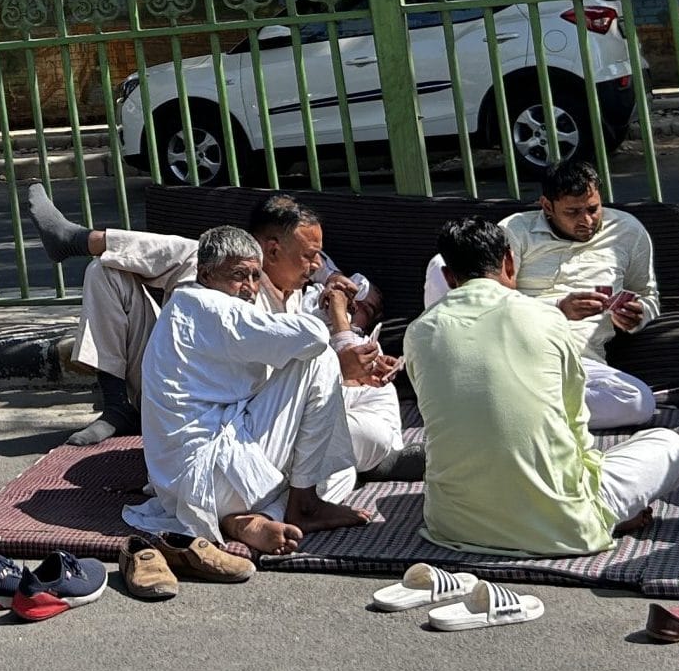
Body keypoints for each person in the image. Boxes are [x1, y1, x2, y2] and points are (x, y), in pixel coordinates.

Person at [25, 184, 417, 479]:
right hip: (206, 414)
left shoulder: (309, 296)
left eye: (319, 255)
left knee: (371, 402)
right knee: (108, 270)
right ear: (271, 250)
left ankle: (80, 240)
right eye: (309, 256)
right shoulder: (227, 278)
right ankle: (117, 406)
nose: (318, 265)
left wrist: (353, 354)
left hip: (256, 420)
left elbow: (313, 377)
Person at [406, 219, 679, 557]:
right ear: (510, 263)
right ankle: (604, 515)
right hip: (563, 525)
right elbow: (575, 423)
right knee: (669, 444)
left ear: (450, 279)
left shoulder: (418, 332)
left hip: (453, 525)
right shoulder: (547, 319)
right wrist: (602, 509)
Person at [118, 226, 373, 556]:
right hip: (210, 475)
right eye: (240, 275)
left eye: (256, 276)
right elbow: (313, 337)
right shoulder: (211, 306)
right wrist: (337, 314)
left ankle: (244, 521)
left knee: (339, 472)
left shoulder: (187, 308)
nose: (250, 288)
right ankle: (302, 505)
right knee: (319, 359)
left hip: (184, 488)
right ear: (206, 274)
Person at [418, 161, 659, 428]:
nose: (587, 220)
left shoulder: (628, 231)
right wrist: (557, 308)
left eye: (593, 209)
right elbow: (487, 299)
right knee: (441, 265)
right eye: (573, 212)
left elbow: (647, 295)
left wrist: (639, 315)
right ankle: (507, 405)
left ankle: (504, 410)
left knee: (638, 400)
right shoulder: (514, 231)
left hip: (578, 362)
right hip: (511, 354)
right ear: (547, 206)